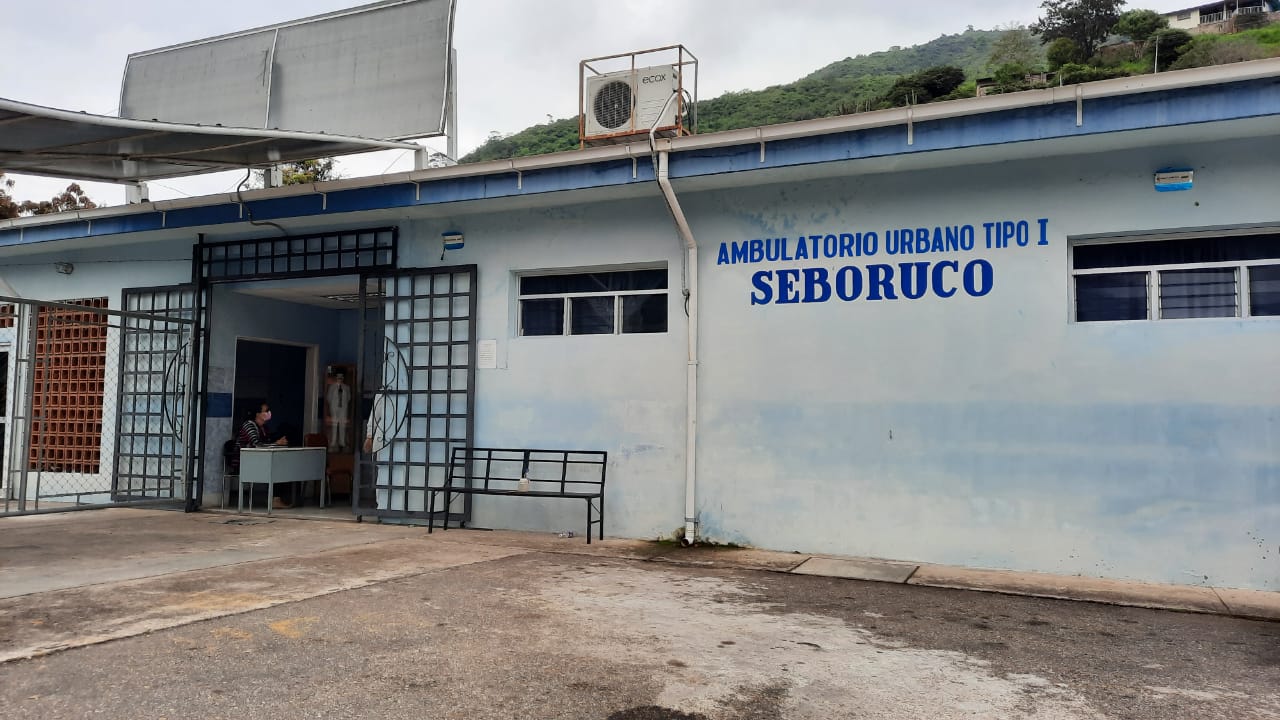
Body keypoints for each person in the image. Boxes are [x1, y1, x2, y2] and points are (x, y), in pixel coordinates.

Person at [236, 401, 289, 508]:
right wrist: (276, 443)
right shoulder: (249, 425)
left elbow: (267, 443)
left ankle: (276, 499)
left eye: (269, 410)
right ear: (257, 414)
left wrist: (278, 442)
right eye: (266, 411)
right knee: (277, 469)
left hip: (259, 460)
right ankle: (274, 500)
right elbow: (257, 444)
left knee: (282, 467)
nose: (269, 413)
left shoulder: (264, 428)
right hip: (245, 461)